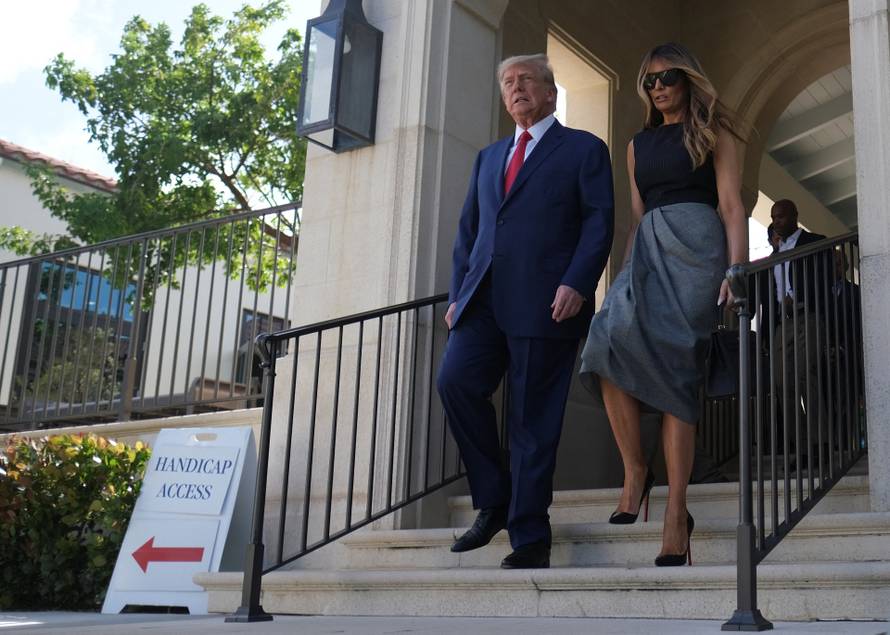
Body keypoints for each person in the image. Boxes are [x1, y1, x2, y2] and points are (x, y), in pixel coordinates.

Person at [437, 54, 614, 569]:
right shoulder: (489, 157)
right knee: (456, 383)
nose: (515, 89)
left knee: (532, 421)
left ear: (550, 93)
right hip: (483, 301)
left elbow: (598, 223)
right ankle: (494, 500)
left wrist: (578, 282)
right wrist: (456, 296)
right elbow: (468, 233)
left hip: (548, 302)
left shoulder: (583, 149)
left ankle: (531, 534)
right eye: (507, 83)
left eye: (526, 81)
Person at [579, 42, 747, 566]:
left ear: (689, 78)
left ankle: (677, 511)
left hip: (698, 252)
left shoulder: (714, 132)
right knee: (603, 344)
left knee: (678, 371)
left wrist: (736, 272)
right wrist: (625, 275)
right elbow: (635, 215)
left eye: (667, 76)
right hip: (648, 252)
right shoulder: (635, 146)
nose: (658, 87)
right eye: (649, 81)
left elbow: (732, 206)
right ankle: (636, 468)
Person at [769, 199, 827, 459]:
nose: (776, 221)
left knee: (806, 374)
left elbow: (822, 279)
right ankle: (801, 448)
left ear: (794, 216)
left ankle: (820, 443)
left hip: (808, 315)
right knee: (783, 382)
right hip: (784, 322)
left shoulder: (815, 242)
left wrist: (798, 295)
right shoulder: (775, 252)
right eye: (773, 217)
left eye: (780, 216)